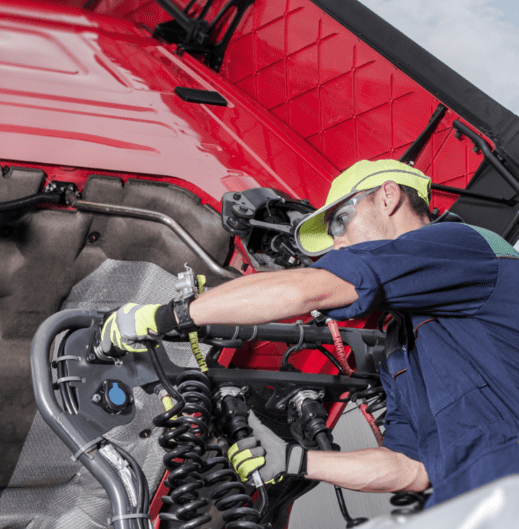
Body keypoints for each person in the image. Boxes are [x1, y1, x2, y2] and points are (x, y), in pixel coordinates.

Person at [101, 159, 519, 509]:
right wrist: (293, 459)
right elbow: (409, 468)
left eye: (342, 220)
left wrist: (169, 315)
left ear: (388, 197)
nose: (338, 244)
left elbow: (313, 288)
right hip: (476, 516)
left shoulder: (463, 246)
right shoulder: (401, 342)